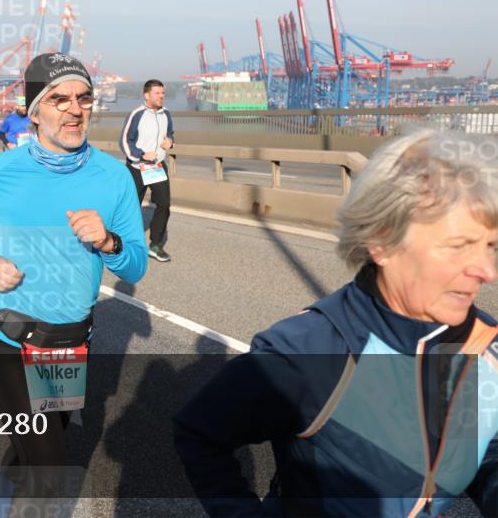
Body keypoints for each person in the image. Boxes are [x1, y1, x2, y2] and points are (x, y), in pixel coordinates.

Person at [173, 129, 498, 518]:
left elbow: (486, 442)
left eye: (491, 245)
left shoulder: (487, 344)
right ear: (382, 240)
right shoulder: (308, 352)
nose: (486, 271)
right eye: (459, 246)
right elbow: (200, 433)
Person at [0, 53, 147, 518]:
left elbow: (134, 268)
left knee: (36, 440)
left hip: (70, 344)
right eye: (59, 100)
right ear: (34, 111)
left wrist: (109, 240)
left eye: (84, 98)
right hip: (6, 336)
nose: (75, 109)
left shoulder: (115, 177)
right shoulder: (0, 171)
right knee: (51, 463)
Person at [120, 79, 175, 262]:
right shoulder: (137, 114)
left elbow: (170, 133)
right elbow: (125, 141)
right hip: (137, 167)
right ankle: (124, 242)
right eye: (157, 93)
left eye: (163, 93)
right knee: (131, 207)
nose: (161, 96)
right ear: (146, 95)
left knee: (164, 204)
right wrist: (141, 155)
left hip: (157, 166)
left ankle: (156, 245)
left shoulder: (166, 114)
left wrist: (170, 142)